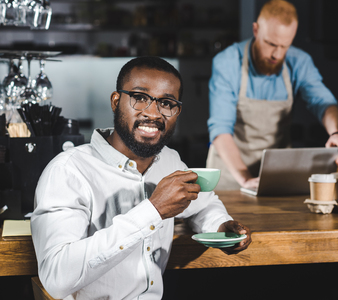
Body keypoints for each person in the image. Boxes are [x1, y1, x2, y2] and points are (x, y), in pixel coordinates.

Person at [30, 56, 252, 300]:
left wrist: (221, 226)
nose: (153, 113)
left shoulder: (169, 161)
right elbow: (56, 278)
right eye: (140, 98)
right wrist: (153, 210)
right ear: (116, 101)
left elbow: (204, 203)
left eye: (166, 102)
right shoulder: (68, 171)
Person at [206, 0, 338, 190]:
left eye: (285, 46)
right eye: (271, 44)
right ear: (256, 30)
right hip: (231, 175)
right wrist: (245, 179)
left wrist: (336, 133)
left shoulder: (299, 62)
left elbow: (324, 103)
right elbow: (220, 129)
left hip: (276, 174)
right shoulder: (228, 63)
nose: (277, 54)